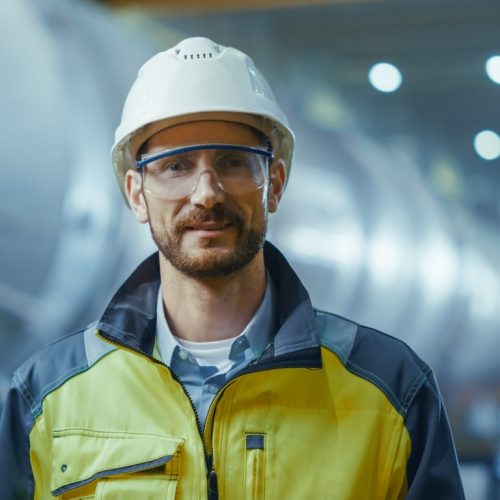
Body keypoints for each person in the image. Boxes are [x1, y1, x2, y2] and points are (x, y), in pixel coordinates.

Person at [0, 37, 464, 499]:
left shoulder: (390, 390)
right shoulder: (45, 397)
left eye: (233, 163)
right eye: (176, 166)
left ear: (275, 184)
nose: (207, 193)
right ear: (136, 194)